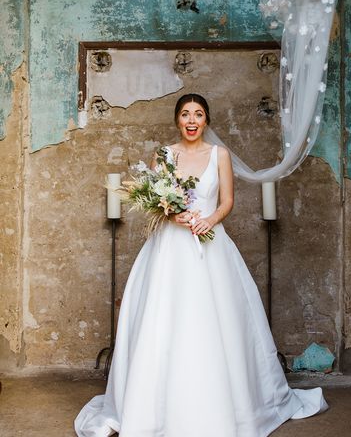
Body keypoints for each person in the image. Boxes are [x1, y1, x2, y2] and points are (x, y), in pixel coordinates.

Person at [75, 93, 328, 437]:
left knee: (214, 320)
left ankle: (222, 404)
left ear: (206, 120)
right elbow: (155, 201)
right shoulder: (164, 155)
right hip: (168, 247)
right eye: (185, 114)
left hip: (209, 244)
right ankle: (153, 407)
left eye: (198, 114)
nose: (191, 121)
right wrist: (171, 212)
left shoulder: (219, 155)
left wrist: (209, 220)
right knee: (162, 320)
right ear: (177, 120)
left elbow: (227, 202)